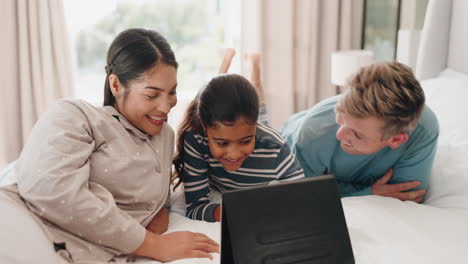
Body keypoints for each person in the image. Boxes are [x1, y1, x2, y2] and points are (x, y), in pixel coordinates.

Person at [0, 28, 218, 263]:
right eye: (152, 95)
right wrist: (152, 244)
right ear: (116, 85)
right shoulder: (76, 115)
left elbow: (157, 203)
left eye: (172, 92)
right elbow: (50, 188)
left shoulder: (165, 136)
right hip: (27, 230)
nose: (166, 107)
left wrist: (158, 219)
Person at [172, 51, 304, 223]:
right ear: (205, 128)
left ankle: (254, 64)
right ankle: (226, 59)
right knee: (215, 88)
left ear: (255, 128)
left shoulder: (275, 148)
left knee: (259, 100)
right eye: (221, 142)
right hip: (228, 117)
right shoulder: (196, 139)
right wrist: (237, 211)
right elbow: (195, 207)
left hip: (260, 129)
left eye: (246, 141)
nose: (233, 154)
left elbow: (302, 202)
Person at [279, 61, 439, 202]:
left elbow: (407, 196)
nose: (339, 134)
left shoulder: (423, 130)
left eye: (357, 134)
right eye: (341, 116)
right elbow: (301, 196)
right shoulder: (314, 131)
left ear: (396, 140)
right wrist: (369, 193)